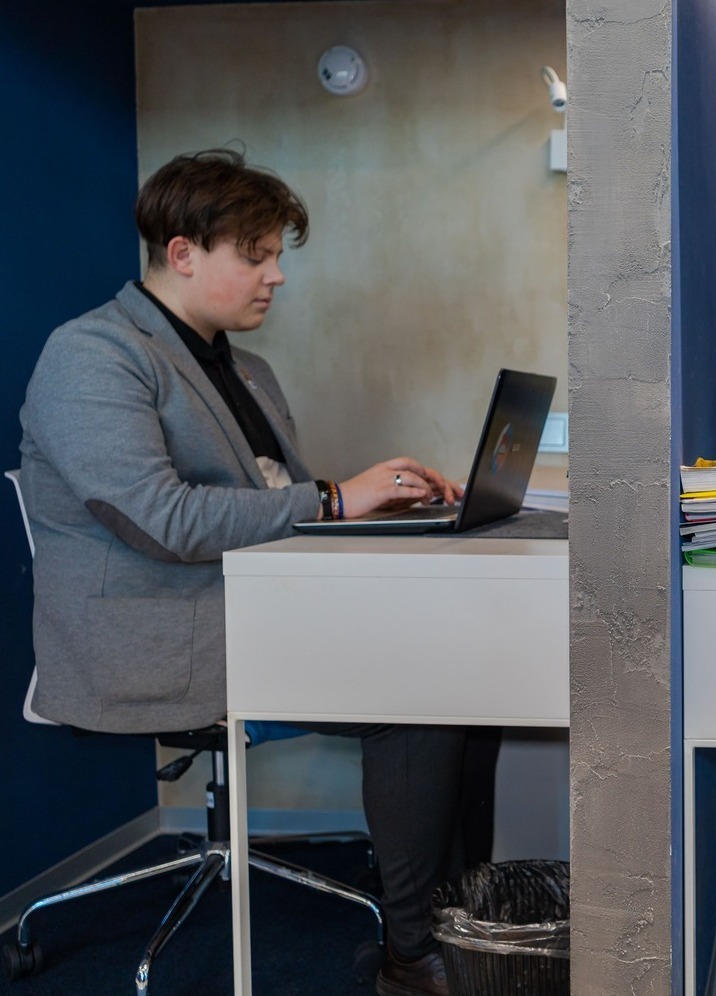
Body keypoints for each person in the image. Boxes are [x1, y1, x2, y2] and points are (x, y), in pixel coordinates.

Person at [19, 148, 470, 996]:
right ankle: (415, 955)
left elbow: (274, 510)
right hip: (155, 639)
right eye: (256, 255)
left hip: (250, 615)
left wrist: (386, 502)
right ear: (182, 253)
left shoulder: (244, 369)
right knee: (421, 698)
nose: (277, 276)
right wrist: (336, 497)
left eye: (276, 256)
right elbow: (163, 520)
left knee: (470, 676)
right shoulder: (92, 355)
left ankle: (454, 918)